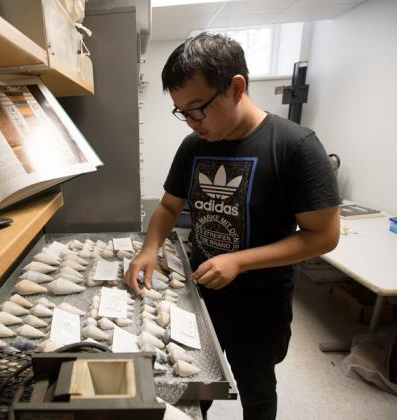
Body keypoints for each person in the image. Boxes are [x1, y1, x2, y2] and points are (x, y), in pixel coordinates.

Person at [124, 33, 341, 420]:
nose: (192, 122)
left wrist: (240, 261)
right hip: (200, 294)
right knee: (198, 381)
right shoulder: (194, 146)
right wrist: (149, 248)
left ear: (236, 87)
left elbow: (323, 236)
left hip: (260, 305)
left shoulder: (295, 147)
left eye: (197, 109)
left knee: (256, 388)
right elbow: (169, 205)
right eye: (181, 112)